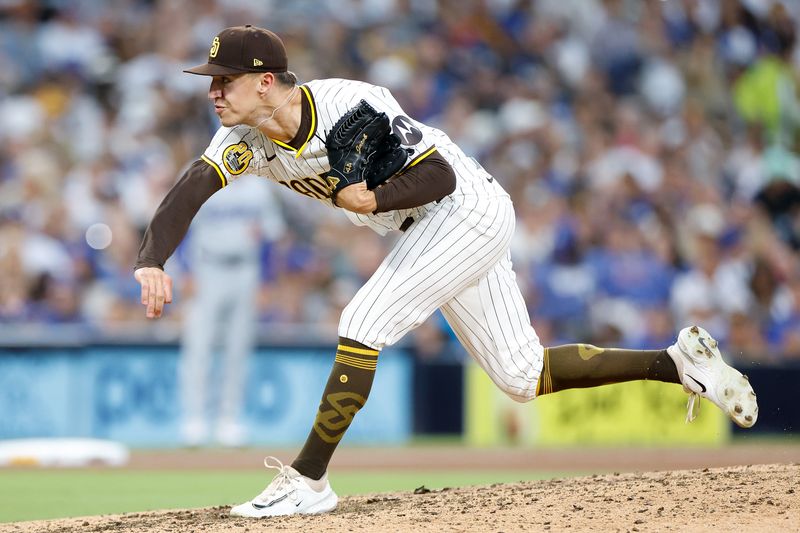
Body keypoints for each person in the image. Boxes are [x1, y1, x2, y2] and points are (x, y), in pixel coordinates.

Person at [133, 25, 758, 519]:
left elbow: (442, 175)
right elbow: (190, 190)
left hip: (463, 210)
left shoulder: (354, 103)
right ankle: (677, 364)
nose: (213, 90)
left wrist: (372, 198)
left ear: (266, 81)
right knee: (521, 374)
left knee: (362, 320)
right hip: (424, 232)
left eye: (226, 79)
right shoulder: (242, 139)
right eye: (211, 80)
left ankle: (308, 480)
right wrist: (152, 260)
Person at [177, 173, 284, 447]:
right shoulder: (201, 178)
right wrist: (186, 272)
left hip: (246, 270)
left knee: (238, 349)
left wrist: (267, 281)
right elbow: (179, 225)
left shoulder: (258, 188)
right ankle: (194, 419)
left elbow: (270, 236)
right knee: (198, 347)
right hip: (207, 268)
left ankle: (229, 420)